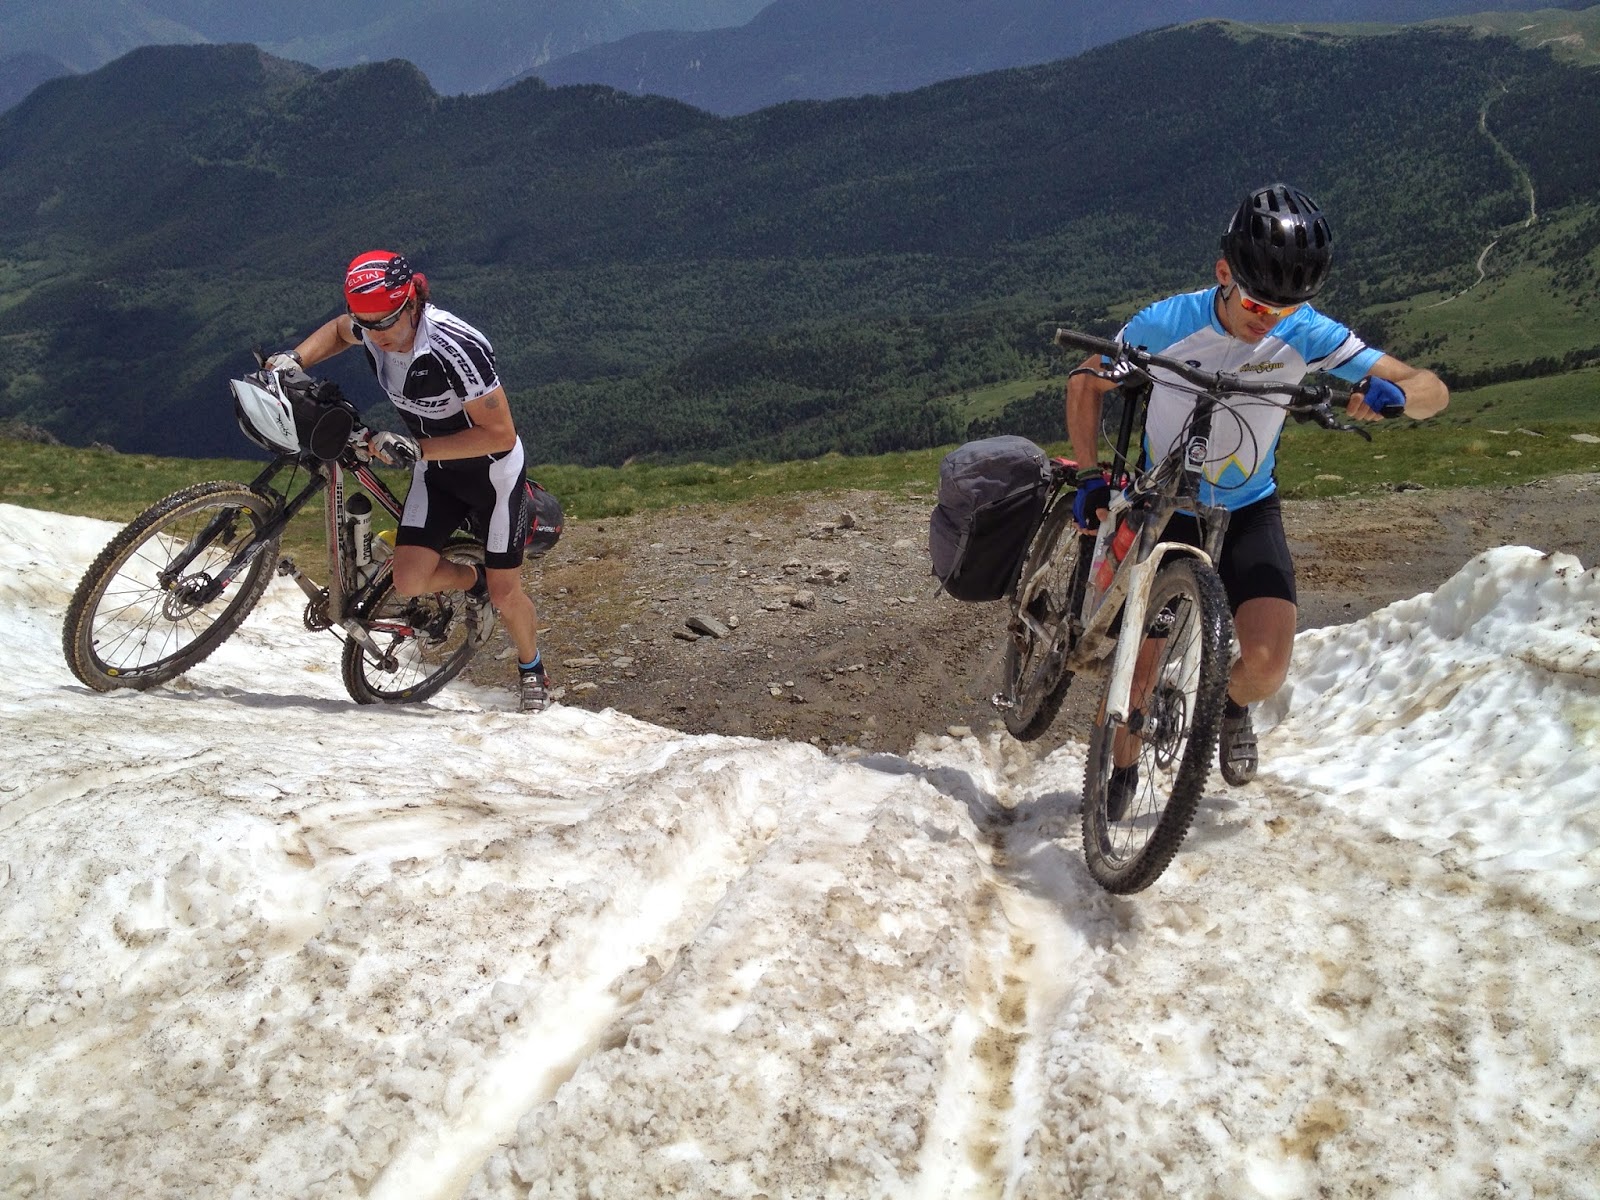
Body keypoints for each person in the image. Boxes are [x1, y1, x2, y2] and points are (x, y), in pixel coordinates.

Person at [1064, 183, 1447, 789]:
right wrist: (1088, 475)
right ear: (1224, 273)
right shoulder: (1168, 324)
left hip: (1248, 509)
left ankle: (1228, 706)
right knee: (1137, 677)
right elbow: (1086, 382)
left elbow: (1432, 388)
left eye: (1287, 310)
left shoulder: (1305, 330)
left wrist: (1398, 396)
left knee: (1267, 668)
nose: (1267, 321)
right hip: (1169, 506)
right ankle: (1119, 784)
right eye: (1260, 307)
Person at [267, 250, 554, 712]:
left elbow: (500, 433)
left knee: (507, 594)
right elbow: (343, 329)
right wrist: (293, 359)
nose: (375, 336)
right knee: (409, 580)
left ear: (412, 304)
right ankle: (472, 578)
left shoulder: (455, 345)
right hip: (436, 472)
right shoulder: (375, 324)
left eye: (384, 324)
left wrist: (418, 448)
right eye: (369, 324)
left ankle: (531, 666)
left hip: (492, 476)